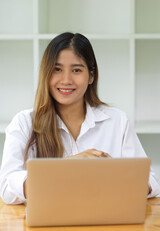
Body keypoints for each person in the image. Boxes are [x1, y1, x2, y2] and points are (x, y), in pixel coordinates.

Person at [0, 32, 160, 205]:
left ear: (91, 76)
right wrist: (66, 168)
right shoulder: (24, 123)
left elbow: (152, 181)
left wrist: (118, 176)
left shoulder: (117, 121)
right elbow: (7, 189)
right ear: (45, 73)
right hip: (46, 227)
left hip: (105, 223)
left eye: (76, 70)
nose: (66, 80)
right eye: (57, 69)